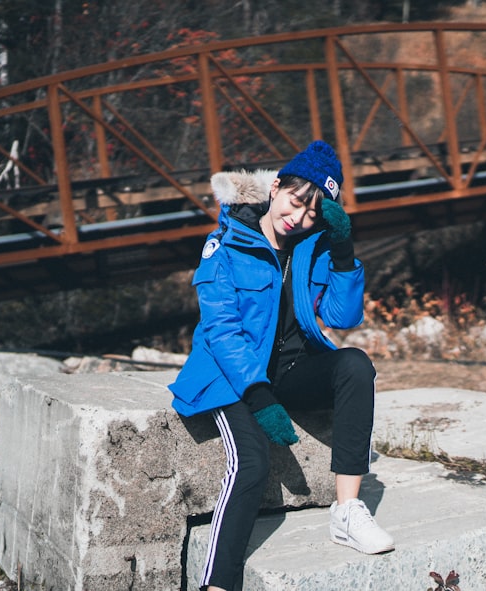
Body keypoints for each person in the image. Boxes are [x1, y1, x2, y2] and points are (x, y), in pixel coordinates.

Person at [169, 140, 394, 591]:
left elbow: (341, 317)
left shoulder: (314, 247)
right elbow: (222, 331)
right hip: (230, 377)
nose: (300, 217)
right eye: (296, 201)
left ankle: (347, 511)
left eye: (313, 213)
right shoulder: (226, 245)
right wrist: (258, 395)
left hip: (290, 371)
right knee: (251, 462)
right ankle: (217, 583)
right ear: (275, 187)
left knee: (355, 366)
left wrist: (344, 249)